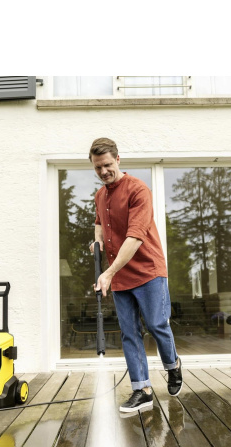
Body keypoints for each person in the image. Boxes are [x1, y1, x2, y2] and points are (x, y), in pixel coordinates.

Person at [89, 137, 182, 413]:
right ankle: (142, 390)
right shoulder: (100, 196)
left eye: (107, 165)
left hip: (148, 271)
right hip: (120, 275)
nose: (104, 171)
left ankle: (173, 365)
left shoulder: (138, 190)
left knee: (156, 324)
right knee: (129, 333)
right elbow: (99, 223)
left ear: (118, 159)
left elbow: (135, 237)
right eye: (98, 167)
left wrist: (108, 272)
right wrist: (97, 242)